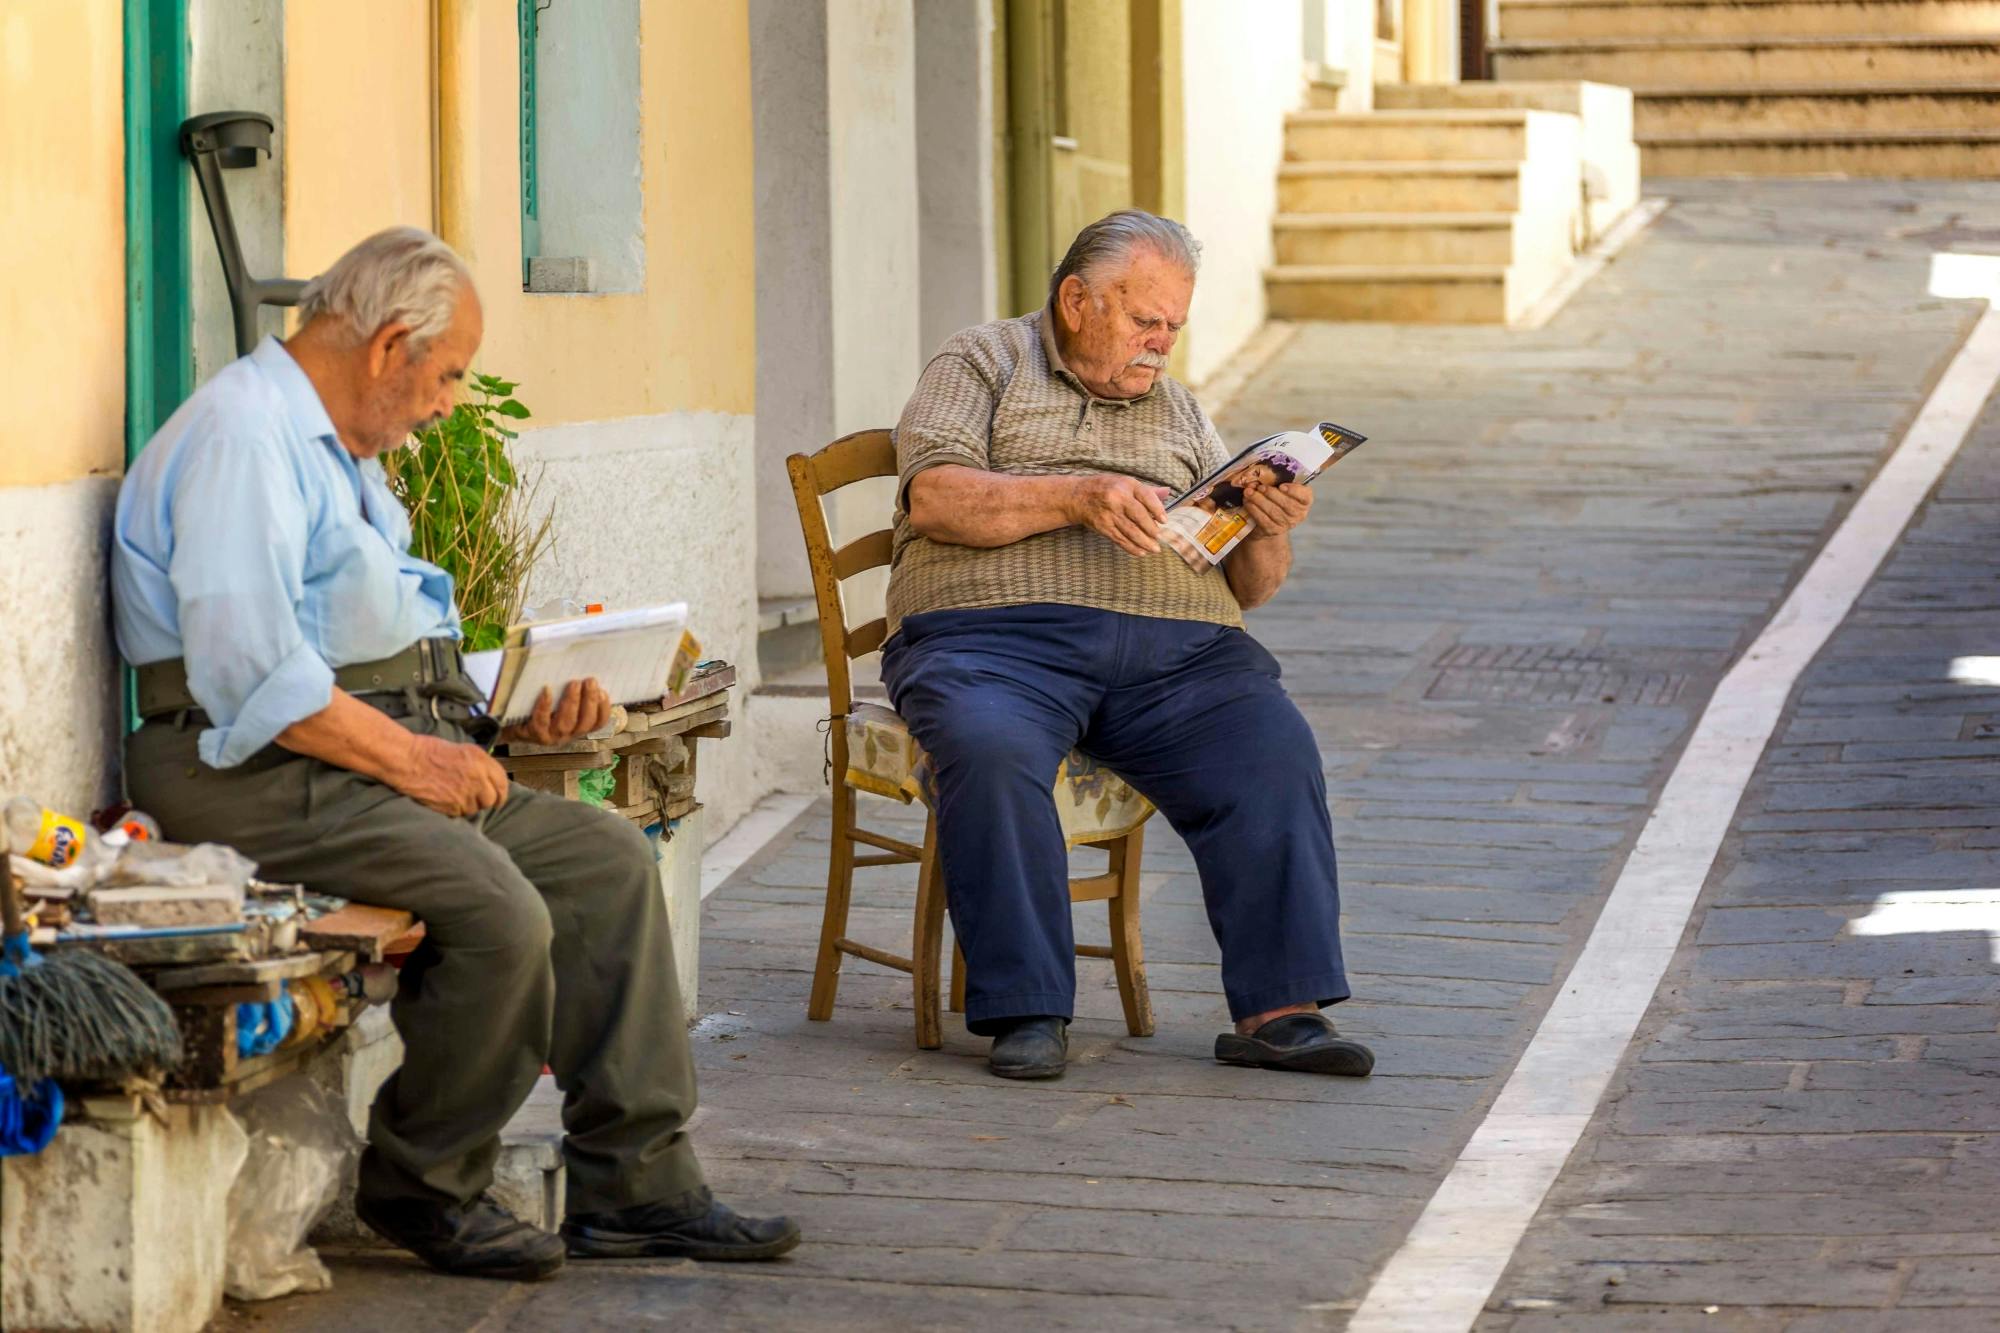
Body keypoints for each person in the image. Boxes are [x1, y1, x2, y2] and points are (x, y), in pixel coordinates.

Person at [111, 227, 798, 1281]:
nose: (446, 401)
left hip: (357, 749)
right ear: (389, 344)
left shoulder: (337, 453)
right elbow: (257, 680)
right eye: (448, 374)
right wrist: (419, 762)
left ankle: (635, 1181)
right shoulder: (244, 439)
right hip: (244, 764)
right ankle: (424, 1181)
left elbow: (375, 653)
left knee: (607, 867)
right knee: (499, 913)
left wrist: (507, 719)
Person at [882, 209, 1374, 1082]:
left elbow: (1251, 588)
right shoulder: (981, 362)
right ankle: (1029, 1008)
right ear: (1076, 300)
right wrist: (1075, 495)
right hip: (996, 641)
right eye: (1146, 320)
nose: (1161, 344)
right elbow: (936, 499)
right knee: (990, 747)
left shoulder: (1180, 409)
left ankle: (1279, 1009)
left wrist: (1267, 527)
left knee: (1273, 745)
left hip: (1179, 655)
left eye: (1173, 327)